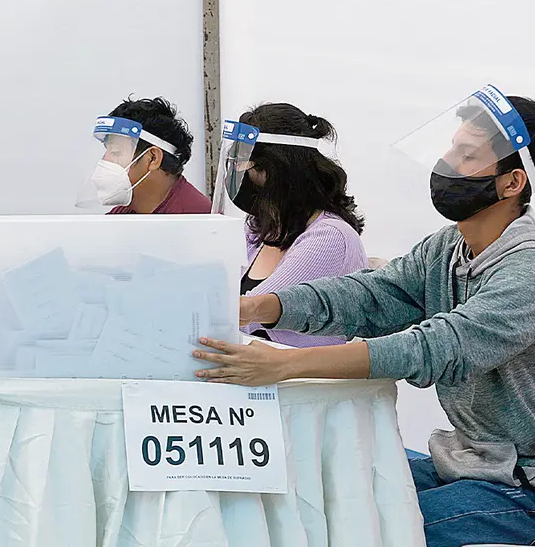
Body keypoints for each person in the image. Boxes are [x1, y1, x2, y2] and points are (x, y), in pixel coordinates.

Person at [193, 88, 535, 547]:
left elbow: (436, 346)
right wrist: (262, 305)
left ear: (512, 183)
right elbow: (371, 295)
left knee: (366, 529)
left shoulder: (526, 269)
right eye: (451, 148)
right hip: (466, 461)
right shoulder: (447, 248)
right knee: (318, 498)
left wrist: (286, 364)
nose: (445, 164)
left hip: (521, 482)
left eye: (466, 155)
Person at [0, 97, 210, 288]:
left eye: (116, 152)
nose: (105, 162)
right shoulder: (128, 212)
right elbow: (72, 269)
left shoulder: (195, 224)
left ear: (152, 158)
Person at [215, 104, 368, 347]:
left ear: (276, 170)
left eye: (243, 165)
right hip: (252, 365)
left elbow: (247, 315)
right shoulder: (259, 228)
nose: (235, 175)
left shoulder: (330, 237)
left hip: (300, 371)